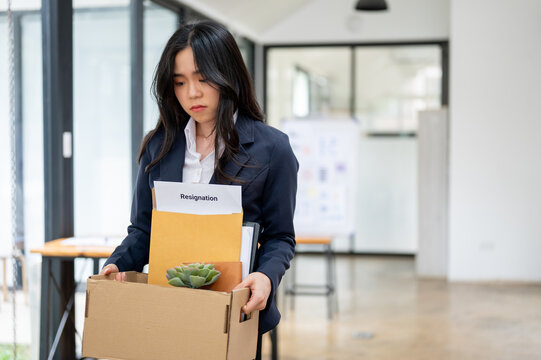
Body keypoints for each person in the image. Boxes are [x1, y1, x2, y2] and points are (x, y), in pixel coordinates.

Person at [99, 20, 298, 340]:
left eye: (203, 78)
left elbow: (280, 237)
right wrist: (116, 264)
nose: (191, 93)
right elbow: (143, 230)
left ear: (227, 75)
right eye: (179, 82)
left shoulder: (273, 149)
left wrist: (265, 277)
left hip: (235, 313)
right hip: (167, 308)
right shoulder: (158, 146)